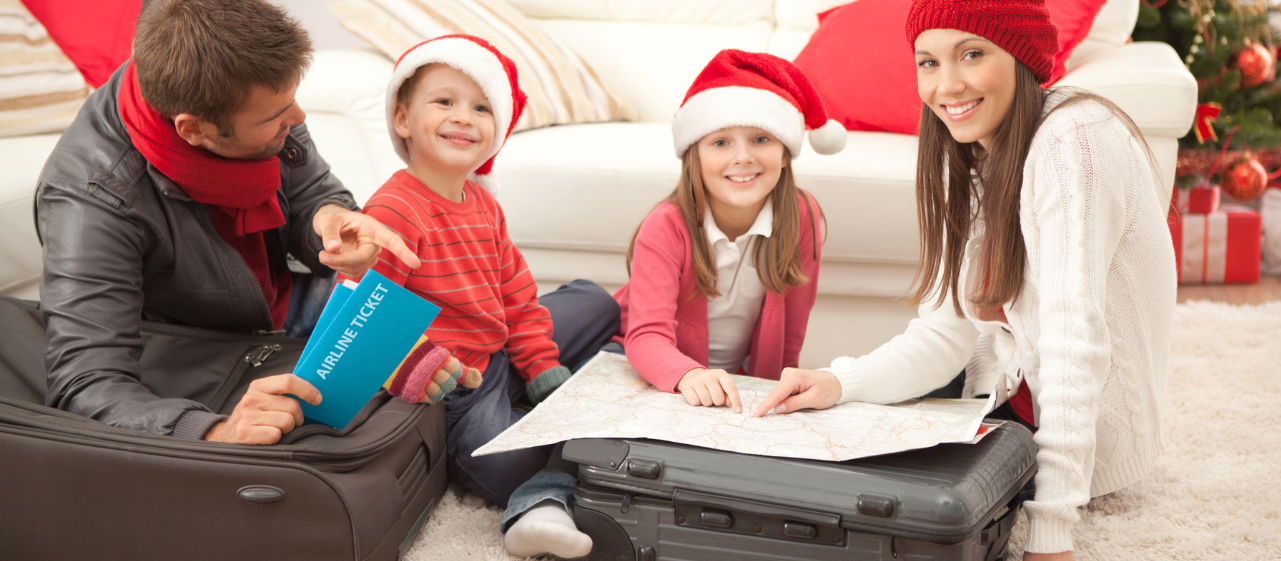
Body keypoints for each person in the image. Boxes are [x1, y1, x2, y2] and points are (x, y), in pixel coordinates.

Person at [753, 1, 1177, 559]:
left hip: (1078, 428)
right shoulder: (974, 147)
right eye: (927, 62)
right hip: (999, 396)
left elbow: (1073, 343)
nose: (946, 86)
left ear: (1021, 58)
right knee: (822, 462)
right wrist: (839, 383)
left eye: (971, 54)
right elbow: (944, 334)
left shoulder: (1073, 142)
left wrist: (1051, 534)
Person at [500, 49, 844, 559]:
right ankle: (539, 507)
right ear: (693, 154)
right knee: (607, 436)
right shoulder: (668, 224)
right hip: (643, 359)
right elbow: (644, 336)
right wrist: (684, 376)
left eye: (761, 139)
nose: (742, 157)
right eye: (721, 141)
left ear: (787, 151)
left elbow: (791, 330)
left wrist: (768, 403)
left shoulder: (804, 218)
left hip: (726, 379)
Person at [36, 0, 419, 445]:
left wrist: (330, 220)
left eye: (292, 101)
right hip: (203, 355)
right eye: (277, 117)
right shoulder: (89, 199)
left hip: (276, 304)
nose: (298, 120)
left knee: (436, 307)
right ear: (194, 130)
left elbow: (312, 194)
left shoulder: (234, 84)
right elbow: (83, 383)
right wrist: (215, 430)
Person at [353, 35, 620, 512]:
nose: (463, 117)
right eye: (444, 101)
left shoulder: (482, 203)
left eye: (481, 108)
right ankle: (543, 435)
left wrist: (541, 366)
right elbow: (365, 316)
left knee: (599, 303)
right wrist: (426, 368)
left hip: (499, 346)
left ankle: (547, 396)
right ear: (402, 119)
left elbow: (516, 296)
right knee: (502, 469)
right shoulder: (393, 210)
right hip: (460, 384)